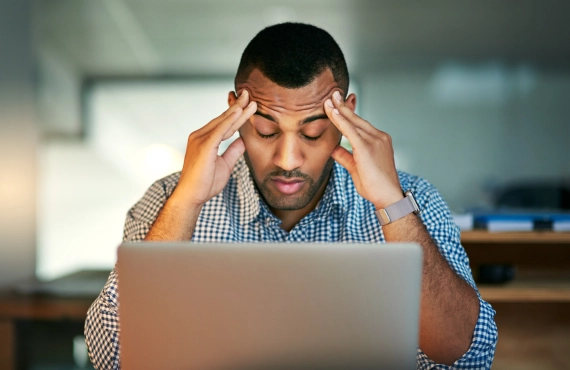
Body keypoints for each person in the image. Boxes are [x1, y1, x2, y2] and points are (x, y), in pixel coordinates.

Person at [85, 22, 497, 369]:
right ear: (235, 112)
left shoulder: (412, 199)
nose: (287, 158)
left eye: (313, 132)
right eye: (266, 131)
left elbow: (467, 358)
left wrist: (392, 204)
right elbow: (113, 358)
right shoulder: (166, 200)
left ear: (347, 115)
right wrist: (185, 204)